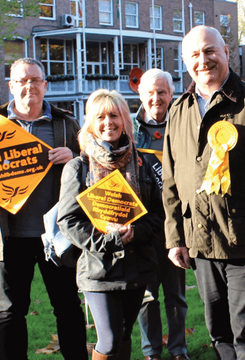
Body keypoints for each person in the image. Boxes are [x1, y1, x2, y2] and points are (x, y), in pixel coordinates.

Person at [163, 26, 245, 359]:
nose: (203, 61)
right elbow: (172, 182)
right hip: (201, 243)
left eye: (209, 51)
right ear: (185, 61)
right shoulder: (179, 110)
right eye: (194, 54)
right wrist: (176, 236)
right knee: (219, 334)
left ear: (226, 53)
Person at [0, 57, 87, 360]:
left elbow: (92, 166)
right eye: (22, 81)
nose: (29, 86)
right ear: (11, 86)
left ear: (45, 85)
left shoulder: (65, 123)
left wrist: (76, 155)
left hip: (57, 235)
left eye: (35, 80)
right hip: (9, 234)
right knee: (10, 309)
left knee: (67, 305)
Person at [57, 89, 162, 360]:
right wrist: (109, 241)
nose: (108, 123)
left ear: (125, 120)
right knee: (110, 339)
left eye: (114, 115)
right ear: (91, 122)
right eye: (100, 116)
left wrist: (136, 232)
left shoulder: (143, 163)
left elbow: (157, 214)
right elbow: (68, 219)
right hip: (98, 268)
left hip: (138, 265)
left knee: (125, 334)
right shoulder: (78, 167)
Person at [133, 69, 190, 360]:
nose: (156, 98)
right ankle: (152, 351)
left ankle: (178, 349)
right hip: (142, 225)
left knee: (176, 294)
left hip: (177, 224)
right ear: (140, 94)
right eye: (150, 93)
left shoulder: (184, 123)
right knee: (147, 295)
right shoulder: (127, 128)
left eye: (162, 92)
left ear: (171, 93)